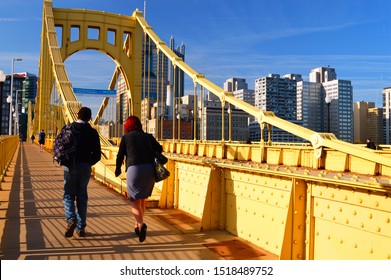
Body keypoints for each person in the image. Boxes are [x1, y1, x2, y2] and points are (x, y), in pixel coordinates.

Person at [115, 115, 162, 243]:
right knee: (142, 198)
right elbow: (160, 149)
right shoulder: (148, 137)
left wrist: (117, 168)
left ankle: (141, 225)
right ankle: (137, 225)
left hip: (134, 169)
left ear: (127, 126)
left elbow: (120, 156)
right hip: (149, 170)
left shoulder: (126, 138)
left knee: (134, 199)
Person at [63, 107, 101, 238]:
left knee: (68, 194)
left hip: (70, 166)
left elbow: (60, 146)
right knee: (82, 196)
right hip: (85, 166)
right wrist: (87, 163)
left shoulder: (68, 128)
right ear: (90, 118)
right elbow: (97, 155)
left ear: (77, 116)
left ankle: (70, 219)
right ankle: (81, 228)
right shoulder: (93, 132)